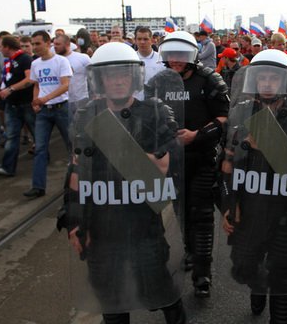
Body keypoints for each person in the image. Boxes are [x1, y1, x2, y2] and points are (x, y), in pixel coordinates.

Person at [63, 42, 186, 324]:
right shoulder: (86, 114)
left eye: (124, 75)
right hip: (101, 223)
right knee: (111, 299)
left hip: (143, 221)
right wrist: (74, 222)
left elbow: (167, 165)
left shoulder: (155, 112)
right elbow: (76, 171)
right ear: (100, 79)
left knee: (161, 290)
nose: (118, 81)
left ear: (134, 78)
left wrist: (115, 147)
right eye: (111, 76)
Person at [220, 49, 287, 324]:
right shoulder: (240, 111)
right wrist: (229, 204)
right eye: (261, 77)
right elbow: (227, 164)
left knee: (284, 275)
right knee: (243, 267)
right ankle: (257, 285)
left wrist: (266, 142)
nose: (266, 83)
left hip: (286, 209)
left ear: (286, 81)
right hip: (249, 206)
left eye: (273, 78)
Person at [148, 30, 229, 297]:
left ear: (192, 55)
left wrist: (198, 135)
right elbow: (146, 116)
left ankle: (203, 273)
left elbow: (225, 117)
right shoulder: (158, 82)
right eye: (171, 54)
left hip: (203, 156)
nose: (175, 60)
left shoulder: (210, 79)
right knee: (182, 211)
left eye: (181, 55)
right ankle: (191, 251)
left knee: (202, 214)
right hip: (173, 160)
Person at [25, 30, 73, 198]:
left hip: (61, 108)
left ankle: (77, 182)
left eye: (38, 43)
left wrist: (45, 98)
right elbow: (37, 84)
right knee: (40, 148)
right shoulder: (35, 64)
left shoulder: (61, 61)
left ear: (47, 43)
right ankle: (38, 186)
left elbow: (65, 85)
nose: (35, 47)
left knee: (71, 146)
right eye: (33, 44)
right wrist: (36, 101)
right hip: (44, 111)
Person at [0, 36, 36, 177]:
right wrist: (1, 89)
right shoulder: (9, 61)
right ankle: (8, 167)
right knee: (12, 136)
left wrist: (10, 89)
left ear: (7, 47)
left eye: (0, 46)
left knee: (37, 134)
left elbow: (30, 79)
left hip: (26, 103)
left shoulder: (25, 59)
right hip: (12, 104)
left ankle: (43, 158)